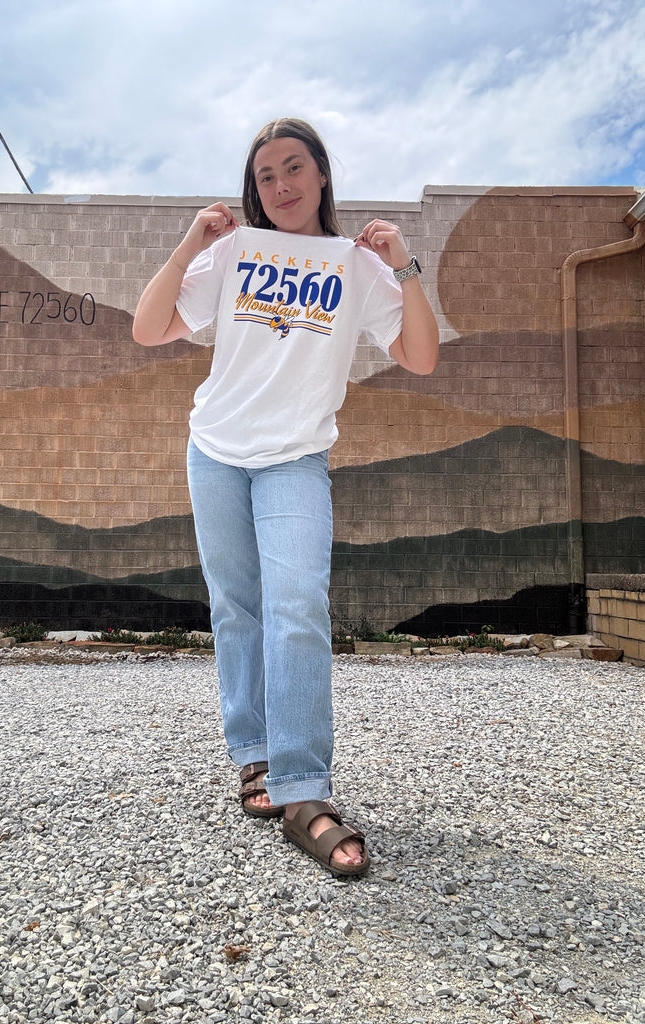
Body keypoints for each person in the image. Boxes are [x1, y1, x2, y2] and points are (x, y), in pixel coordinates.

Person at [133, 117, 438, 876]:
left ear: (322, 174)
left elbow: (422, 357)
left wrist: (405, 266)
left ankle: (305, 790)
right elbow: (149, 328)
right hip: (216, 452)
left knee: (296, 605)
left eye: (294, 167)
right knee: (236, 604)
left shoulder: (353, 263)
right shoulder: (235, 252)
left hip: (296, 458)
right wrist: (188, 247)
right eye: (266, 176)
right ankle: (256, 755)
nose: (281, 186)